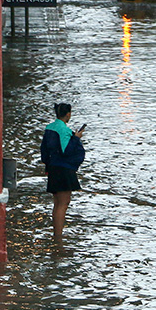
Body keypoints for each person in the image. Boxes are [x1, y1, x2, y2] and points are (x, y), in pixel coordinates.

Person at [40, 102, 86, 241]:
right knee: (64, 203)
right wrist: (76, 138)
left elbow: (44, 152)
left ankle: (57, 233)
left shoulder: (49, 128)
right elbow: (67, 150)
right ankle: (58, 236)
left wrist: (48, 166)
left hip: (53, 168)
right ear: (68, 114)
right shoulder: (64, 130)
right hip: (64, 169)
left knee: (57, 203)